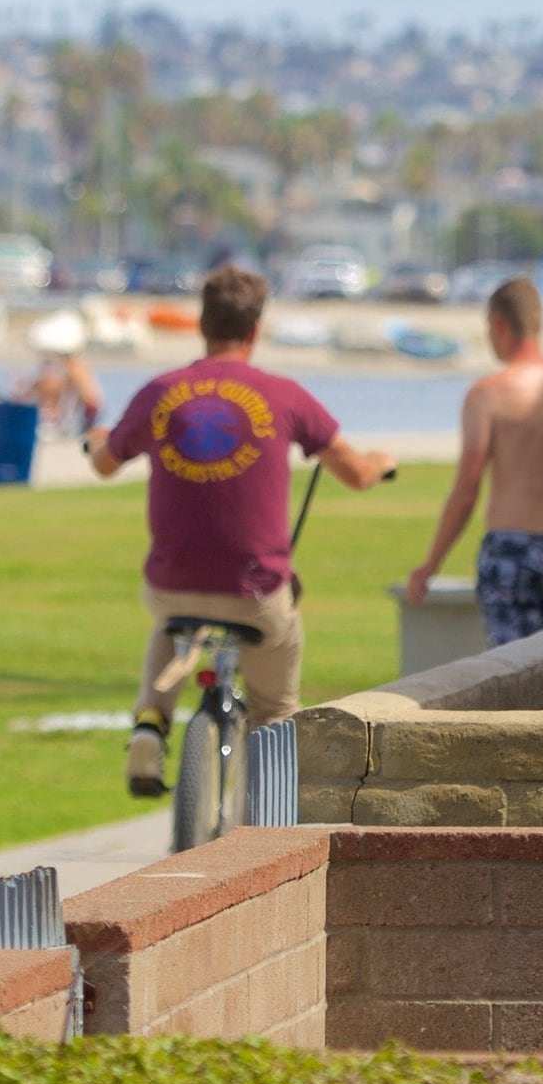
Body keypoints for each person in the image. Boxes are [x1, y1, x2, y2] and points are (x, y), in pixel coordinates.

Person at [87, 266, 393, 795]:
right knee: (275, 705)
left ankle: (149, 725)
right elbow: (357, 474)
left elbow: (106, 463)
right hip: (256, 592)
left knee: (170, 625)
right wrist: (380, 461)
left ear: (200, 325)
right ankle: (266, 819)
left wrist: (95, 441)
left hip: (172, 584)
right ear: (256, 329)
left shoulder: (160, 391)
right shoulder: (285, 395)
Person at [403, 276, 543, 644]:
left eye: (488, 328)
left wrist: (430, 565)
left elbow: (467, 489)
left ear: (500, 325)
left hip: (509, 549)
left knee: (509, 669)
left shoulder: (487, 395)